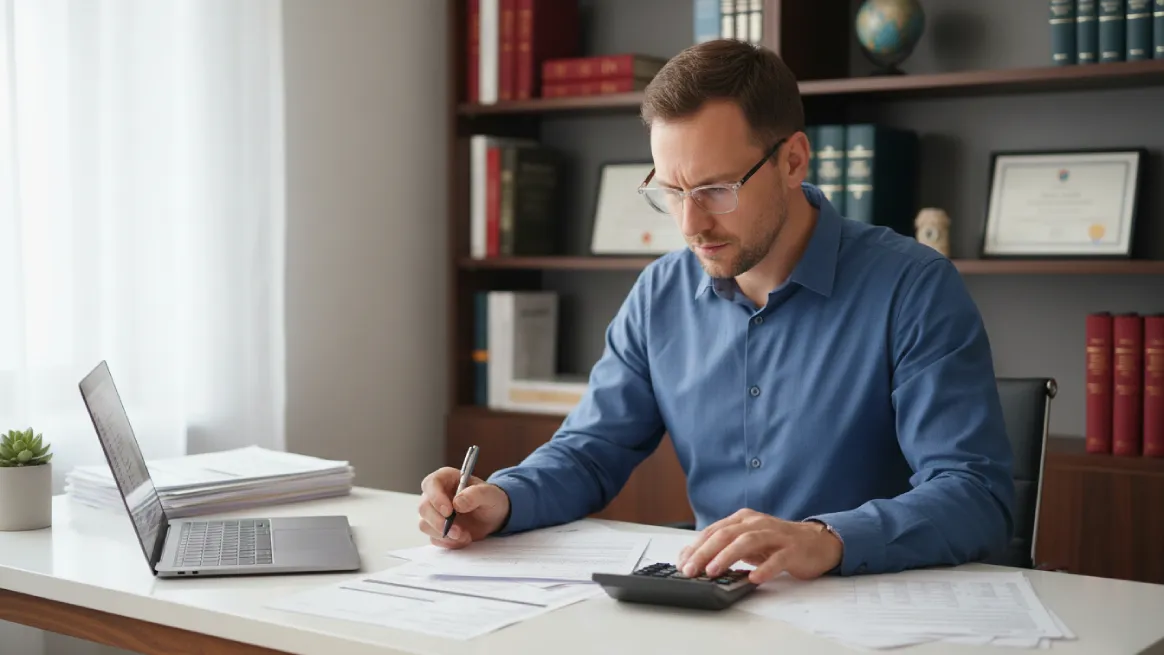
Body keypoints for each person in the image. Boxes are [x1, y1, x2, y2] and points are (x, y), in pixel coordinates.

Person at [418, 39, 1015, 585]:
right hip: (713, 610)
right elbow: (589, 451)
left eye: (714, 191)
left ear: (792, 161)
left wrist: (826, 538)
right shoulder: (660, 294)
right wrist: (501, 500)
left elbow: (975, 495)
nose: (689, 224)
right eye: (671, 192)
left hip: (874, 605)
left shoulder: (913, 287)